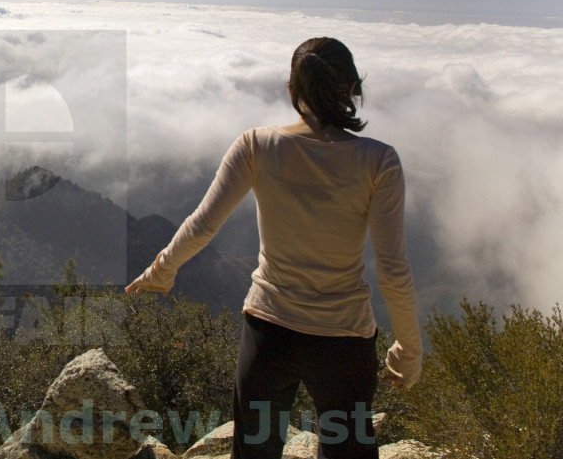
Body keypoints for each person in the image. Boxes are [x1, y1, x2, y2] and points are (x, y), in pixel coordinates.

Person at [126, 37, 422, 459]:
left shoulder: (257, 145)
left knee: (255, 451)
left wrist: (162, 271)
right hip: (344, 339)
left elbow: (202, 226)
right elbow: (393, 270)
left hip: (269, 332)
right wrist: (409, 350)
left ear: (292, 90)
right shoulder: (379, 162)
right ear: (353, 89)